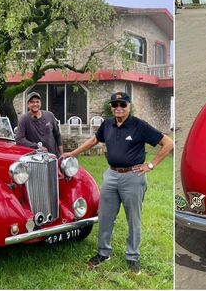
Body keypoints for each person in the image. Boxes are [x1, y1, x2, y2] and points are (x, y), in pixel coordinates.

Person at [61, 92, 174, 275]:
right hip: (111, 175)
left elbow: (168, 143)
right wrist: (73, 153)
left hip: (133, 177)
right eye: (115, 104)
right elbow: (94, 140)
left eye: (122, 104)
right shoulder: (107, 123)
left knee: (133, 219)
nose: (118, 107)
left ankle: (132, 257)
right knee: (105, 217)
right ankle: (104, 253)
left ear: (129, 105)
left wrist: (150, 165)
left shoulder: (139, 125)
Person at [15, 92, 63, 157]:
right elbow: (19, 139)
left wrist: (62, 155)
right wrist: (37, 146)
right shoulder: (24, 119)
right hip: (36, 159)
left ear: (40, 103)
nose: (35, 104)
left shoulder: (50, 115)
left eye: (37, 102)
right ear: (28, 104)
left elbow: (57, 135)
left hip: (53, 157)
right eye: (32, 102)